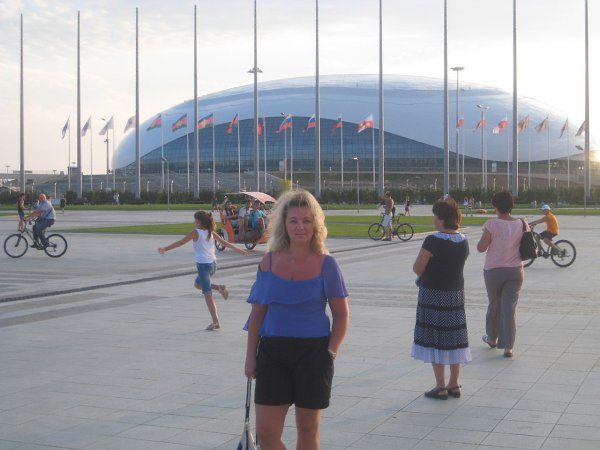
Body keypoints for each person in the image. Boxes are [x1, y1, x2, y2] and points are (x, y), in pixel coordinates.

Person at [244, 190, 349, 449]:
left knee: (308, 429)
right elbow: (257, 314)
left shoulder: (327, 264)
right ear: (284, 224)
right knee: (266, 434)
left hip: (314, 354)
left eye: (306, 220)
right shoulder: (268, 262)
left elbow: (341, 314)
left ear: (316, 224)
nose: (300, 226)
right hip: (272, 353)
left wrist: (330, 353)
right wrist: (250, 357)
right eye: (293, 220)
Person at [412, 198, 470, 400]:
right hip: (455, 295)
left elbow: (417, 268)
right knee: (454, 338)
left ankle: (440, 386)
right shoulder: (463, 240)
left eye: (435, 216)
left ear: (442, 219)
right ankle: (454, 383)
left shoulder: (433, 240)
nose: (433, 220)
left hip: (433, 295)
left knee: (435, 338)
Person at [158, 210, 252, 331]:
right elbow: (225, 243)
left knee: (207, 295)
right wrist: (241, 251)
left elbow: (181, 242)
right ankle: (219, 288)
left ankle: (216, 322)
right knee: (197, 284)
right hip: (213, 265)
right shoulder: (210, 232)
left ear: (199, 222)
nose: (194, 222)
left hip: (203, 267)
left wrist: (165, 249)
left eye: (195, 220)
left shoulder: (196, 232)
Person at [477, 191, 526, 358]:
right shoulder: (522, 223)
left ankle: (492, 338)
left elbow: (481, 248)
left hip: (494, 271)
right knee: (509, 308)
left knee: (495, 304)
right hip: (515, 271)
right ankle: (508, 347)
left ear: (496, 207)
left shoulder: (491, 224)